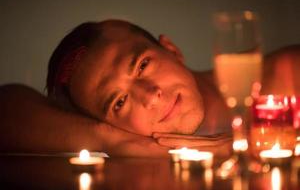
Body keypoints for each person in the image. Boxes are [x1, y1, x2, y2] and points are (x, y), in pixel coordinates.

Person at [0, 19, 299, 157]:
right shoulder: (137, 153)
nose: (149, 96)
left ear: (171, 49)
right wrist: (113, 142)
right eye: (118, 103)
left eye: (142, 65)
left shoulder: (288, 76)